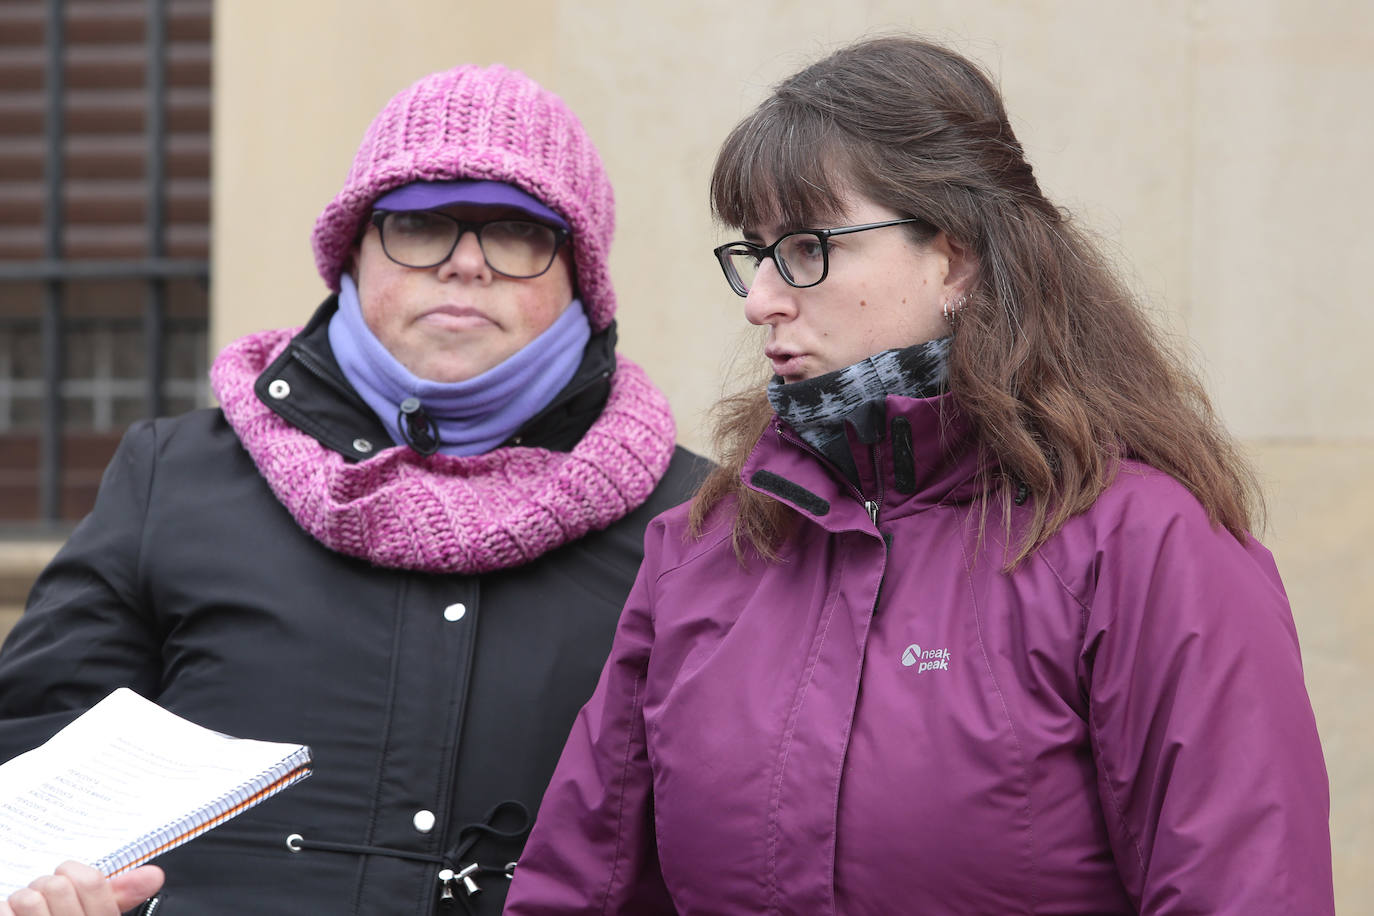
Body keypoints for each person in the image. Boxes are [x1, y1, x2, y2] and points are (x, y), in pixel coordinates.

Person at [503, 36, 1334, 915]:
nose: (762, 300)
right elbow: (577, 887)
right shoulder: (703, 551)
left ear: (957, 256)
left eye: (809, 248)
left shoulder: (1145, 547)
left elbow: (1247, 887)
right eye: (757, 252)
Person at [0, 64, 706, 915]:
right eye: (420, 224)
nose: (466, 265)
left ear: (580, 276)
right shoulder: (174, 476)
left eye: (518, 232)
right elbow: (31, 759)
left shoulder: (695, 523)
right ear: (355, 252)